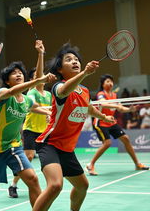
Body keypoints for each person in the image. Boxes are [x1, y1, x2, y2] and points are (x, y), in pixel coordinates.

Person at [33, 43, 115, 211]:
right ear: (60, 69)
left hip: (67, 149)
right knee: (55, 185)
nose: (75, 61)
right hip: (50, 144)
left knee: (82, 186)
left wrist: (104, 116)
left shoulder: (84, 90)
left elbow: (89, 108)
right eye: (69, 60)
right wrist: (85, 72)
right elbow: (64, 91)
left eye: (76, 59)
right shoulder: (58, 86)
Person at [0, 61, 55, 211]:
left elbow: (36, 107)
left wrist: (50, 112)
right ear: (7, 80)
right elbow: (10, 92)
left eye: (20, 72)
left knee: (33, 179)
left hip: (13, 146)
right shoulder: (2, 94)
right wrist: (38, 80)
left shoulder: (27, 100)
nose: (18, 74)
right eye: (14, 73)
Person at [8, 40, 52, 198]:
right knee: (28, 158)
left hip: (44, 131)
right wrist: (40, 53)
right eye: (35, 76)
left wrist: (50, 116)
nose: (38, 77)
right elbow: (36, 108)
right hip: (31, 130)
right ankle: (13, 185)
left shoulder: (48, 95)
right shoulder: (32, 92)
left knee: (48, 159)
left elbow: (51, 111)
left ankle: (50, 185)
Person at [86, 74, 149, 176]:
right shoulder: (101, 94)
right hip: (101, 122)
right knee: (107, 144)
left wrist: (129, 109)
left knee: (126, 139)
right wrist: (116, 105)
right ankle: (91, 164)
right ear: (103, 84)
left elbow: (120, 108)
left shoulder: (114, 96)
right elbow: (103, 104)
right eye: (107, 81)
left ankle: (137, 164)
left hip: (112, 122)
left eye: (111, 81)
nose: (110, 83)